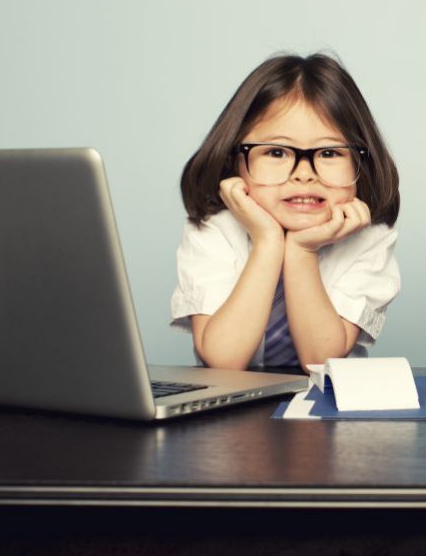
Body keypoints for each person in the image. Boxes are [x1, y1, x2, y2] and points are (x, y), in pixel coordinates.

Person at [171, 53, 400, 371]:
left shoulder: (369, 239)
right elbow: (224, 358)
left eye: (329, 152)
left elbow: (322, 362)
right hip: (233, 411)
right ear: (233, 161)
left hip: (328, 406)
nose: (304, 173)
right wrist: (267, 242)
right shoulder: (214, 230)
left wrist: (301, 250)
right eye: (277, 152)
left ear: (362, 164)